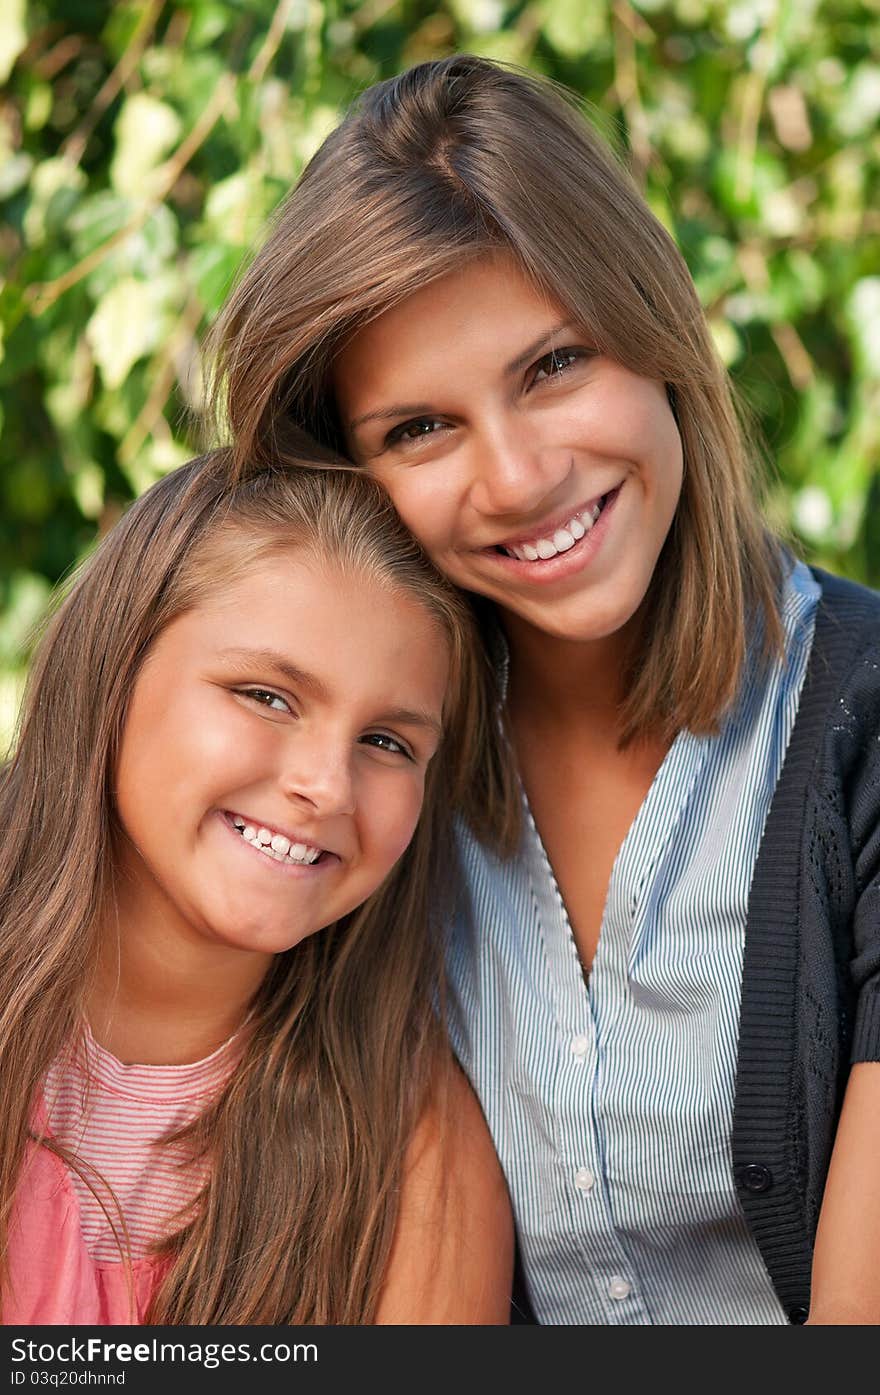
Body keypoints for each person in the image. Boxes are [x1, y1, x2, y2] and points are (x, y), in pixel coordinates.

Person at [208, 55, 880, 1326]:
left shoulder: (862, 726)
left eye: (553, 364)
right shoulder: (339, 787)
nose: (515, 477)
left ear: (655, 327)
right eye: (419, 429)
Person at [0, 448, 513, 1325]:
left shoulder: (416, 1158)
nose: (327, 784)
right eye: (266, 695)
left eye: (388, 742)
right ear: (115, 670)